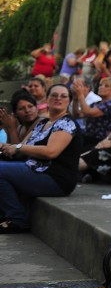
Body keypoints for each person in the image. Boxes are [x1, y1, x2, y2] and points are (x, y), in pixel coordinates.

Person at [0, 83, 82, 233]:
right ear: (47, 98)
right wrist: (6, 146)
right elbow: (22, 148)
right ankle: (7, 214)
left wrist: (17, 147)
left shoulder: (66, 123)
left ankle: (17, 219)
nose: (58, 98)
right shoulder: (42, 123)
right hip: (34, 170)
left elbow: (51, 152)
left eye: (63, 96)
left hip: (55, 178)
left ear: (69, 101)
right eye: (54, 95)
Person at [71, 76, 111, 152]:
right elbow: (77, 115)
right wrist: (75, 99)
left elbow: (89, 113)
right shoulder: (97, 103)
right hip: (88, 138)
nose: (101, 87)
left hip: (100, 141)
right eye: (100, 85)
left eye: (106, 86)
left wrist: (80, 95)